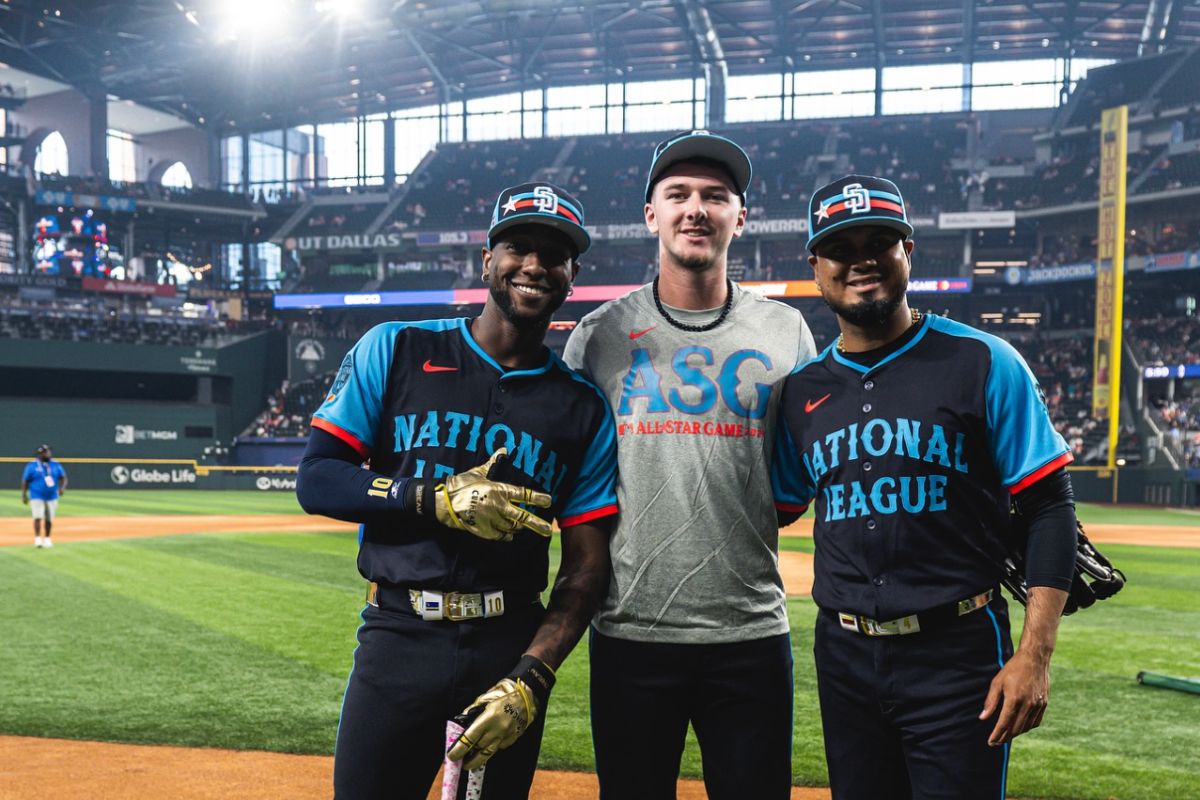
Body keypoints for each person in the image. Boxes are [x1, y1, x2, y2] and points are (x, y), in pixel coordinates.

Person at [296, 182, 618, 800]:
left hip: (507, 647)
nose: (534, 265)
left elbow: (584, 569)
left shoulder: (582, 408)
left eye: (554, 254)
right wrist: (434, 498)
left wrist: (531, 678)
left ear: (572, 274)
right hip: (398, 638)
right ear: (486, 259)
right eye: (517, 246)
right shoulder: (396, 348)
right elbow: (318, 477)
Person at [771, 174, 1078, 800]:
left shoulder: (984, 361)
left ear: (907, 251)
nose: (860, 259)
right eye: (840, 246)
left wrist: (1035, 655)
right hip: (845, 655)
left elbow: (1050, 506)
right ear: (817, 266)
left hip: (959, 653)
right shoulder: (801, 391)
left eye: (878, 241)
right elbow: (774, 507)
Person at [563, 130, 817, 800]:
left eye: (716, 196)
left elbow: (795, 482)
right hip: (629, 632)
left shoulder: (787, 331)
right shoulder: (597, 336)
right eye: (677, 195)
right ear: (652, 214)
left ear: (742, 216)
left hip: (751, 632)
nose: (695, 209)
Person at [22, 444, 67, 548]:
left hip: (52, 496)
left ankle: (47, 538)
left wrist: (62, 488)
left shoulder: (55, 464)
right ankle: (38, 539)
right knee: (37, 517)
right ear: (40, 454)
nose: (48, 453)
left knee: (49, 519)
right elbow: (25, 481)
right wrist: (24, 495)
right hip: (36, 495)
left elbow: (63, 477)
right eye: (45, 452)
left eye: (48, 451)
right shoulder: (32, 465)